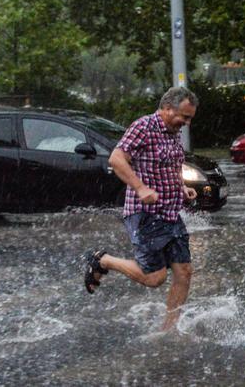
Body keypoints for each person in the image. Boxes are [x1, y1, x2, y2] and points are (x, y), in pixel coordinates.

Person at [81, 86, 199, 332]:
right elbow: (116, 159)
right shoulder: (143, 127)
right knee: (155, 278)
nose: (186, 123)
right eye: (184, 117)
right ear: (167, 108)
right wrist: (141, 187)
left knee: (184, 271)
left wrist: (182, 187)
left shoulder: (172, 131)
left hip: (170, 212)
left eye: (190, 118)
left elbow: (172, 164)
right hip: (145, 214)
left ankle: (168, 329)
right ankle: (103, 260)